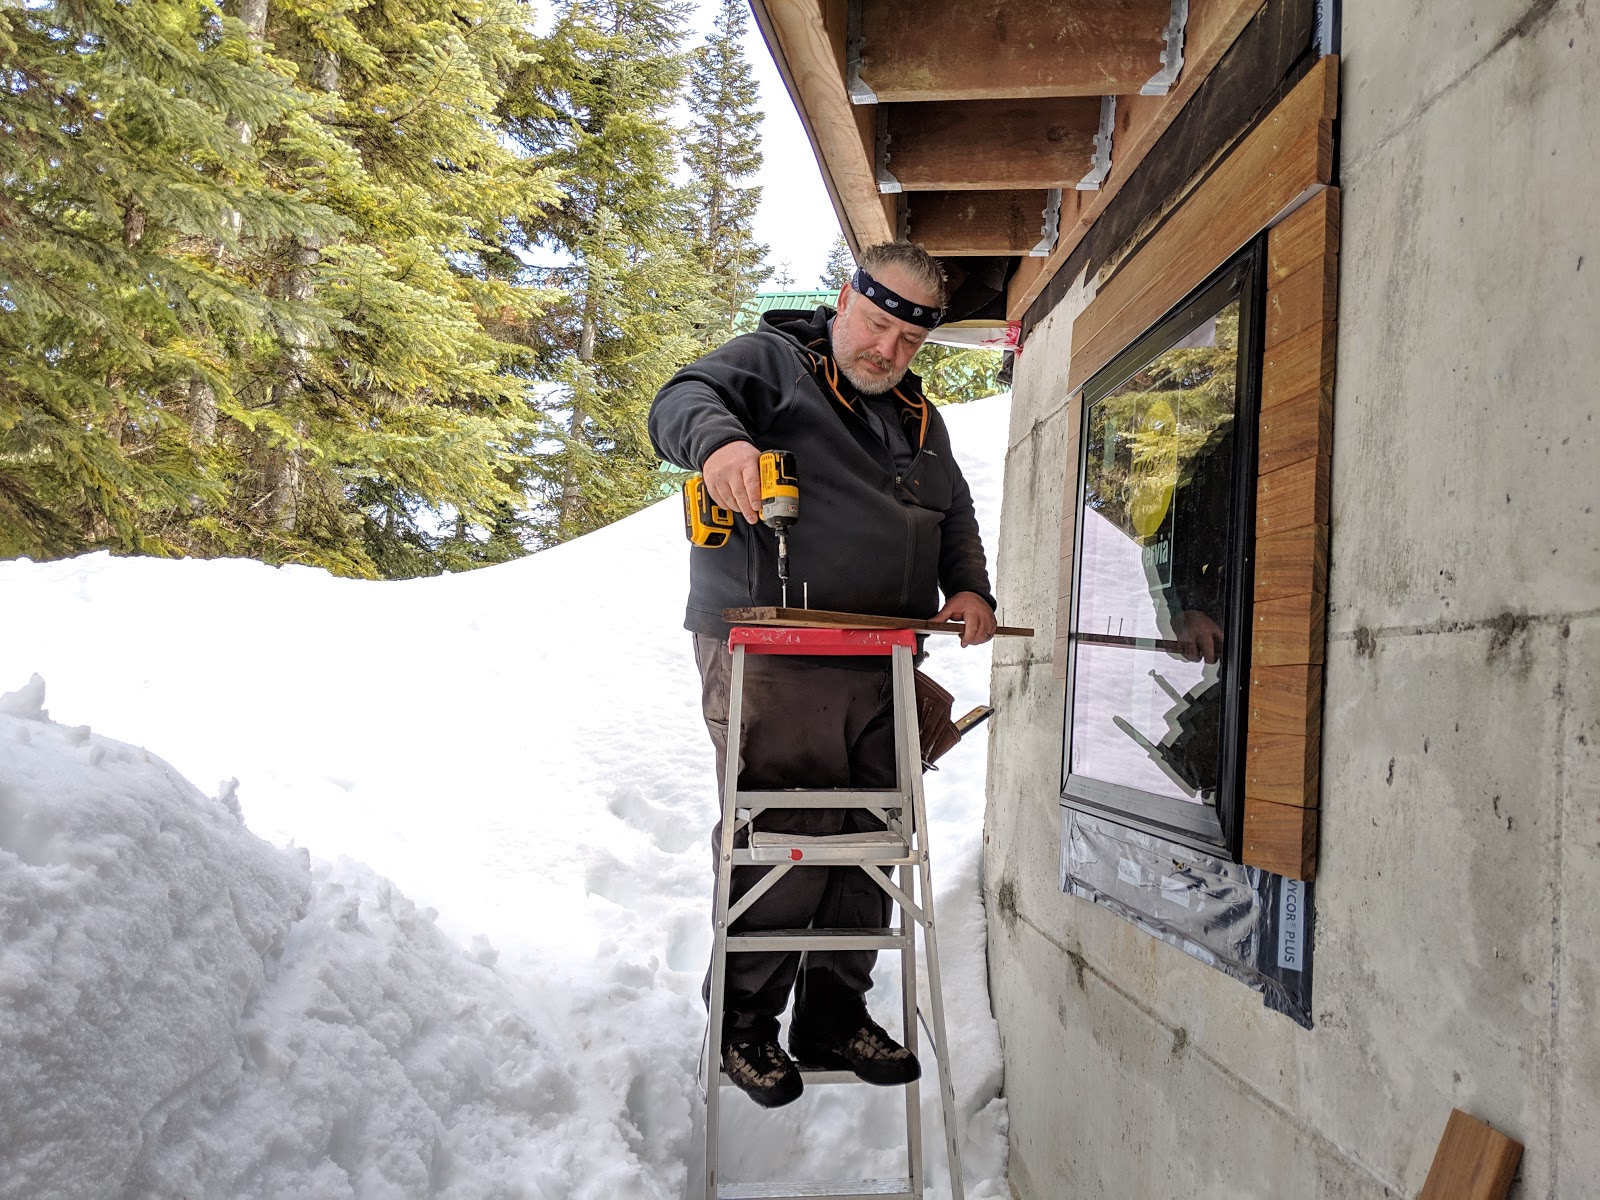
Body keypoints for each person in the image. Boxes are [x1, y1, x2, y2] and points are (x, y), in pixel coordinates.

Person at [648, 240, 997, 1109]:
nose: (887, 350)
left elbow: (952, 511)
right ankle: (743, 1023)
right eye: (876, 325)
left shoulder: (919, 417)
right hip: (774, 654)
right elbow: (680, 399)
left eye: (909, 341)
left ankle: (834, 1013)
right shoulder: (773, 364)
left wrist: (969, 586)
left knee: (874, 841)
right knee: (786, 838)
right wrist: (721, 445)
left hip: (886, 658)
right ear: (845, 301)